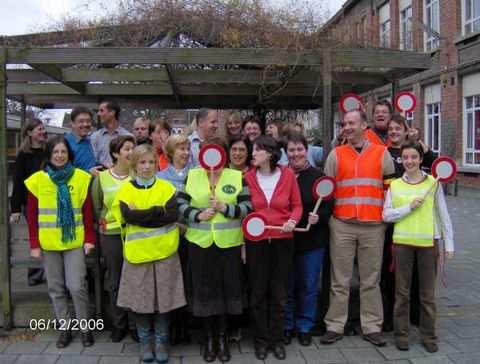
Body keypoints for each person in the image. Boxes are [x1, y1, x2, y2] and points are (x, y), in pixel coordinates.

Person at [320, 110, 395, 347]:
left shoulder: (382, 154)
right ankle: (334, 325)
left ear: (365, 124)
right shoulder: (336, 154)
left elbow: (391, 191)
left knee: (370, 280)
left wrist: (385, 220)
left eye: (352, 123)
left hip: (373, 225)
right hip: (342, 224)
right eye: (344, 124)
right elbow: (326, 191)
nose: (347, 127)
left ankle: (372, 326)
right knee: (339, 280)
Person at [177, 138, 252, 363]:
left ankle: (222, 337)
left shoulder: (237, 177)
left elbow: (248, 207)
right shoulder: (192, 176)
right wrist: (196, 214)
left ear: (224, 155)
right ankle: (209, 338)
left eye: (218, 153)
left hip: (228, 244)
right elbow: (179, 204)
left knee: (226, 292)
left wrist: (224, 208)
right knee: (205, 292)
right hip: (200, 244)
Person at [112, 144, 185, 363]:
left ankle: (161, 341)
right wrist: (156, 212)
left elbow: (171, 215)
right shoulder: (125, 190)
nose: (147, 167)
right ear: (134, 165)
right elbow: (128, 217)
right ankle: (145, 342)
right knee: (140, 301)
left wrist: (144, 214)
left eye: (151, 162)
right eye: (142, 162)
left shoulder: (166, 188)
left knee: (164, 300)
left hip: (165, 253)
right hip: (137, 255)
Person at [383, 141, 454, 353]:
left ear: (421, 159)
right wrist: (407, 208)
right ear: (401, 160)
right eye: (405, 158)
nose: (409, 161)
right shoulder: (395, 185)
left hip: (427, 244)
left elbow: (443, 214)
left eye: (414, 157)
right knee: (402, 294)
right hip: (402, 245)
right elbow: (386, 214)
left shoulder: (433, 182)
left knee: (427, 295)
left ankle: (429, 335)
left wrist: (449, 244)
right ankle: (401, 334)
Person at [25, 135, 95, 348]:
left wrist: (89, 239)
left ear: (69, 155)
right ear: (49, 155)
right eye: (55, 152)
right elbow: (32, 214)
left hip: (74, 242)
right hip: (48, 244)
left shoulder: (81, 178)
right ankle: (65, 329)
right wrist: (34, 244)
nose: (59, 155)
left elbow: (87, 211)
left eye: (63, 151)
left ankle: (85, 328)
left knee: (77, 286)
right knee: (55, 288)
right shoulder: (38, 180)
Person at [244, 136, 302, 360]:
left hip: (282, 240)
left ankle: (276, 340)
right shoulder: (247, 177)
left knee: (279, 293)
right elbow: (246, 210)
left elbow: (296, 206)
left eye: (257, 150)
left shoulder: (287, 175)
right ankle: (260, 340)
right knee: (258, 293)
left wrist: (293, 221)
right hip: (256, 242)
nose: (253, 154)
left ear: (269, 153)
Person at [381, 114, 435, 331]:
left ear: (406, 130)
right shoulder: (383, 153)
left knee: (418, 278)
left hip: (419, 228)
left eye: (398, 128)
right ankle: (391, 318)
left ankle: (415, 316)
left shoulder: (415, 152)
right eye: (390, 129)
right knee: (391, 274)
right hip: (393, 223)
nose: (394, 131)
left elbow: (434, 167)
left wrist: (425, 147)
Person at [284, 134, 334, 347]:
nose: (296, 154)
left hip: (312, 241)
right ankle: (287, 326)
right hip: (285, 240)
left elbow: (329, 205)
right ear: (286, 153)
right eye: (292, 150)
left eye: (299, 149)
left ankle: (304, 325)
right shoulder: (281, 175)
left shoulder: (318, 177)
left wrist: (319, 216)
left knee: (308, 285)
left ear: (307, 150)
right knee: (286, 285)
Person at [91, 135, 138, 343]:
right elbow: (97, 207)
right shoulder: (101, 178)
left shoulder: (139, 176)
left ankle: (137, 324)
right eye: (127, 149)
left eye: (133, 148)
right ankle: (119, 324)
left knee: (136, 279)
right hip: (111, 235)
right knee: (116, 279)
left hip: (136, 234)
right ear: (116, 153)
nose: (131, 152)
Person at [157, 134, 193, 345]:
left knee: (188, 281)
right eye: (181, 148)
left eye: (188, 148)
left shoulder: (197, 175)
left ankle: (185, 325)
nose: (186, 152)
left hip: (192, 236)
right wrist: (175, 224)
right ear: (170, 152)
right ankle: (170, 326)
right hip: (170, 235)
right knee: (170, 281)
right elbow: (159, 209)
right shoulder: (161, 178)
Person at [10, 119, 48, 286]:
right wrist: (15, 209)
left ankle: (50, 272)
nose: (42, 132)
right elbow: (18, 182)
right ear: (30, 133)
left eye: (43, 129)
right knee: (36, 238)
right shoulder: (23, 156)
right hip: (31, 203)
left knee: (49, 237)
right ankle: (34, 273)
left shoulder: (49, 151)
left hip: (49, 201)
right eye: (39, 129)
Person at [91, 100, 132, 168]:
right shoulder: (95, 136)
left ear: (112, 112)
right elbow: (93, 160)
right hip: (102, 174)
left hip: (123, 175)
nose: (98, 114)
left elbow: (132, 159)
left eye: (101, 110)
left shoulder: (128, 136)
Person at [64, 106, 101, 174]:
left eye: (88, 121)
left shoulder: (90, 141)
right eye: (81, 121)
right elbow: (61, 172)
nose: (85, 124)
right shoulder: (64, 143)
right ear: (72, 124)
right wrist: (88, 172)